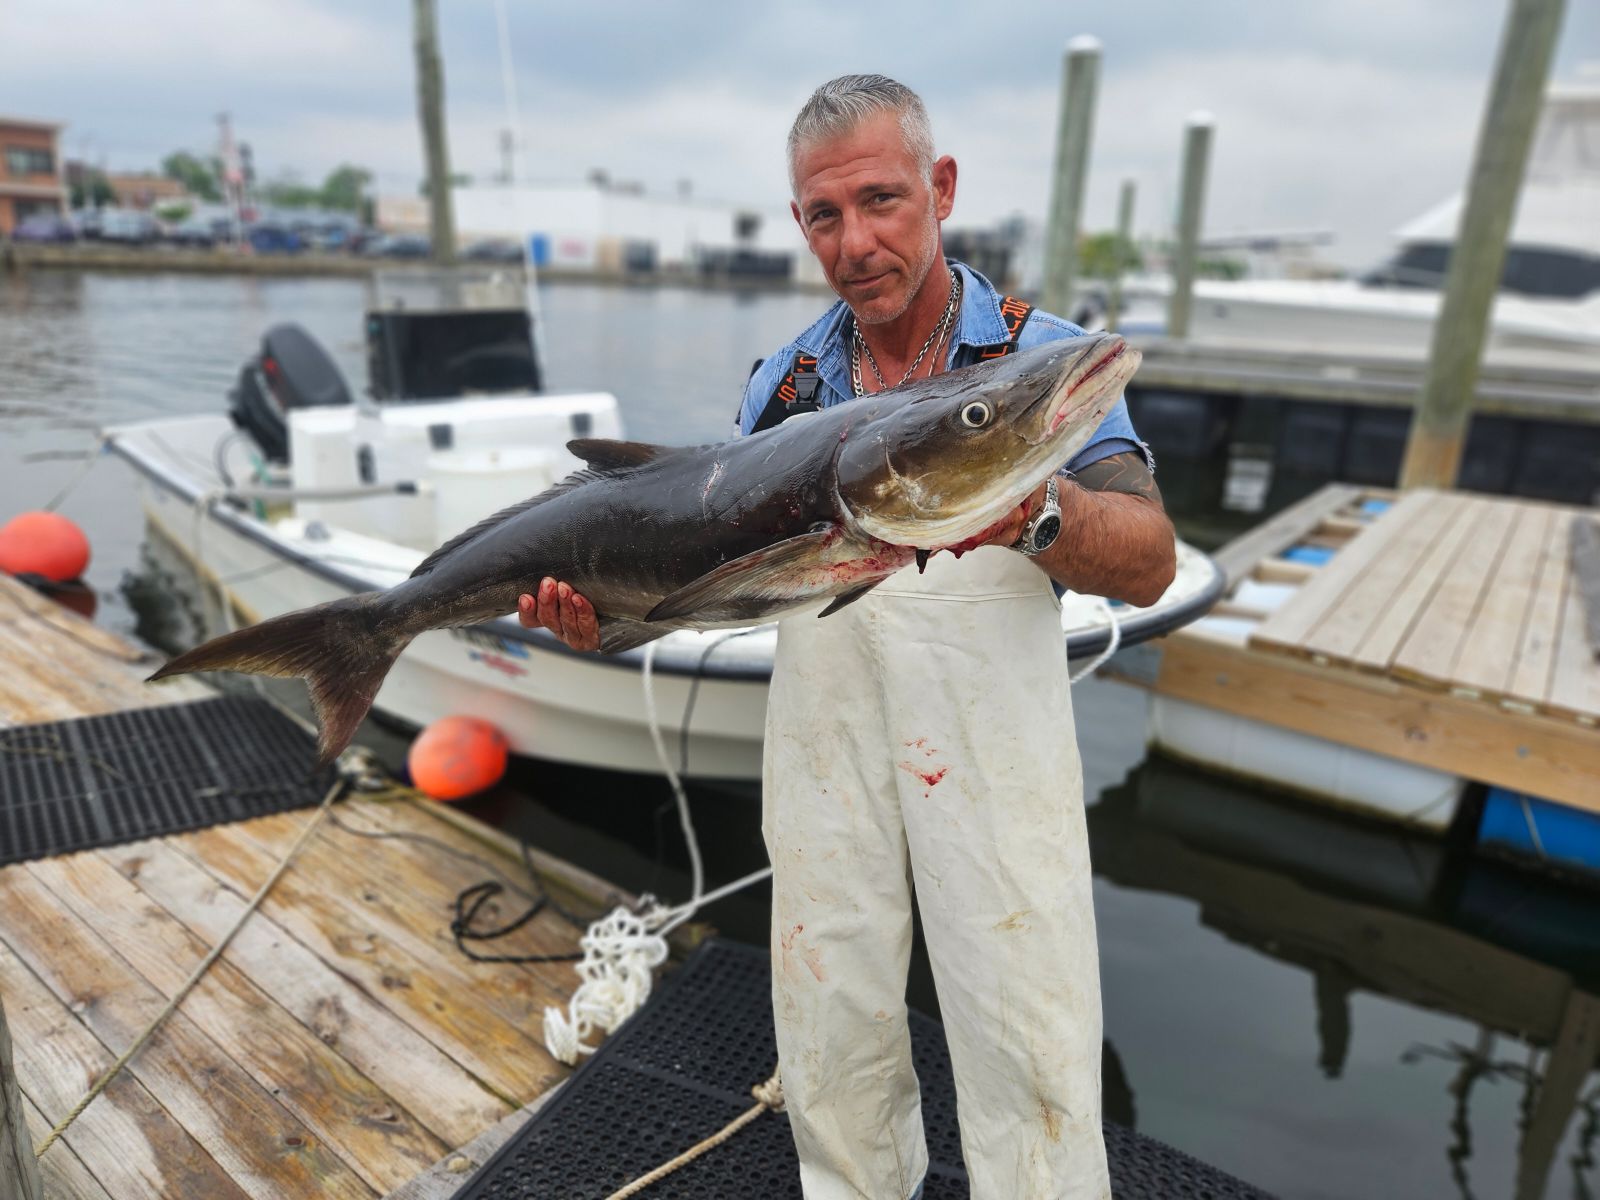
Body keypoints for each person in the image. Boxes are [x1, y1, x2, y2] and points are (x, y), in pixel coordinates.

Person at [519, 74, 1174, 1200]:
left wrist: (1035, 511)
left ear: (942, 188)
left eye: (881, 201)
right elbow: (720, 583)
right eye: (825, 215)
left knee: (1025, 1012)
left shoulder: (1034, 367)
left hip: (991, 749)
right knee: (826, 1001)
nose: (856, 241)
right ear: (798, 224)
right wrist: (606, 621)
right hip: (825, 743)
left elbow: (1150, 554)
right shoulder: (784, 391)